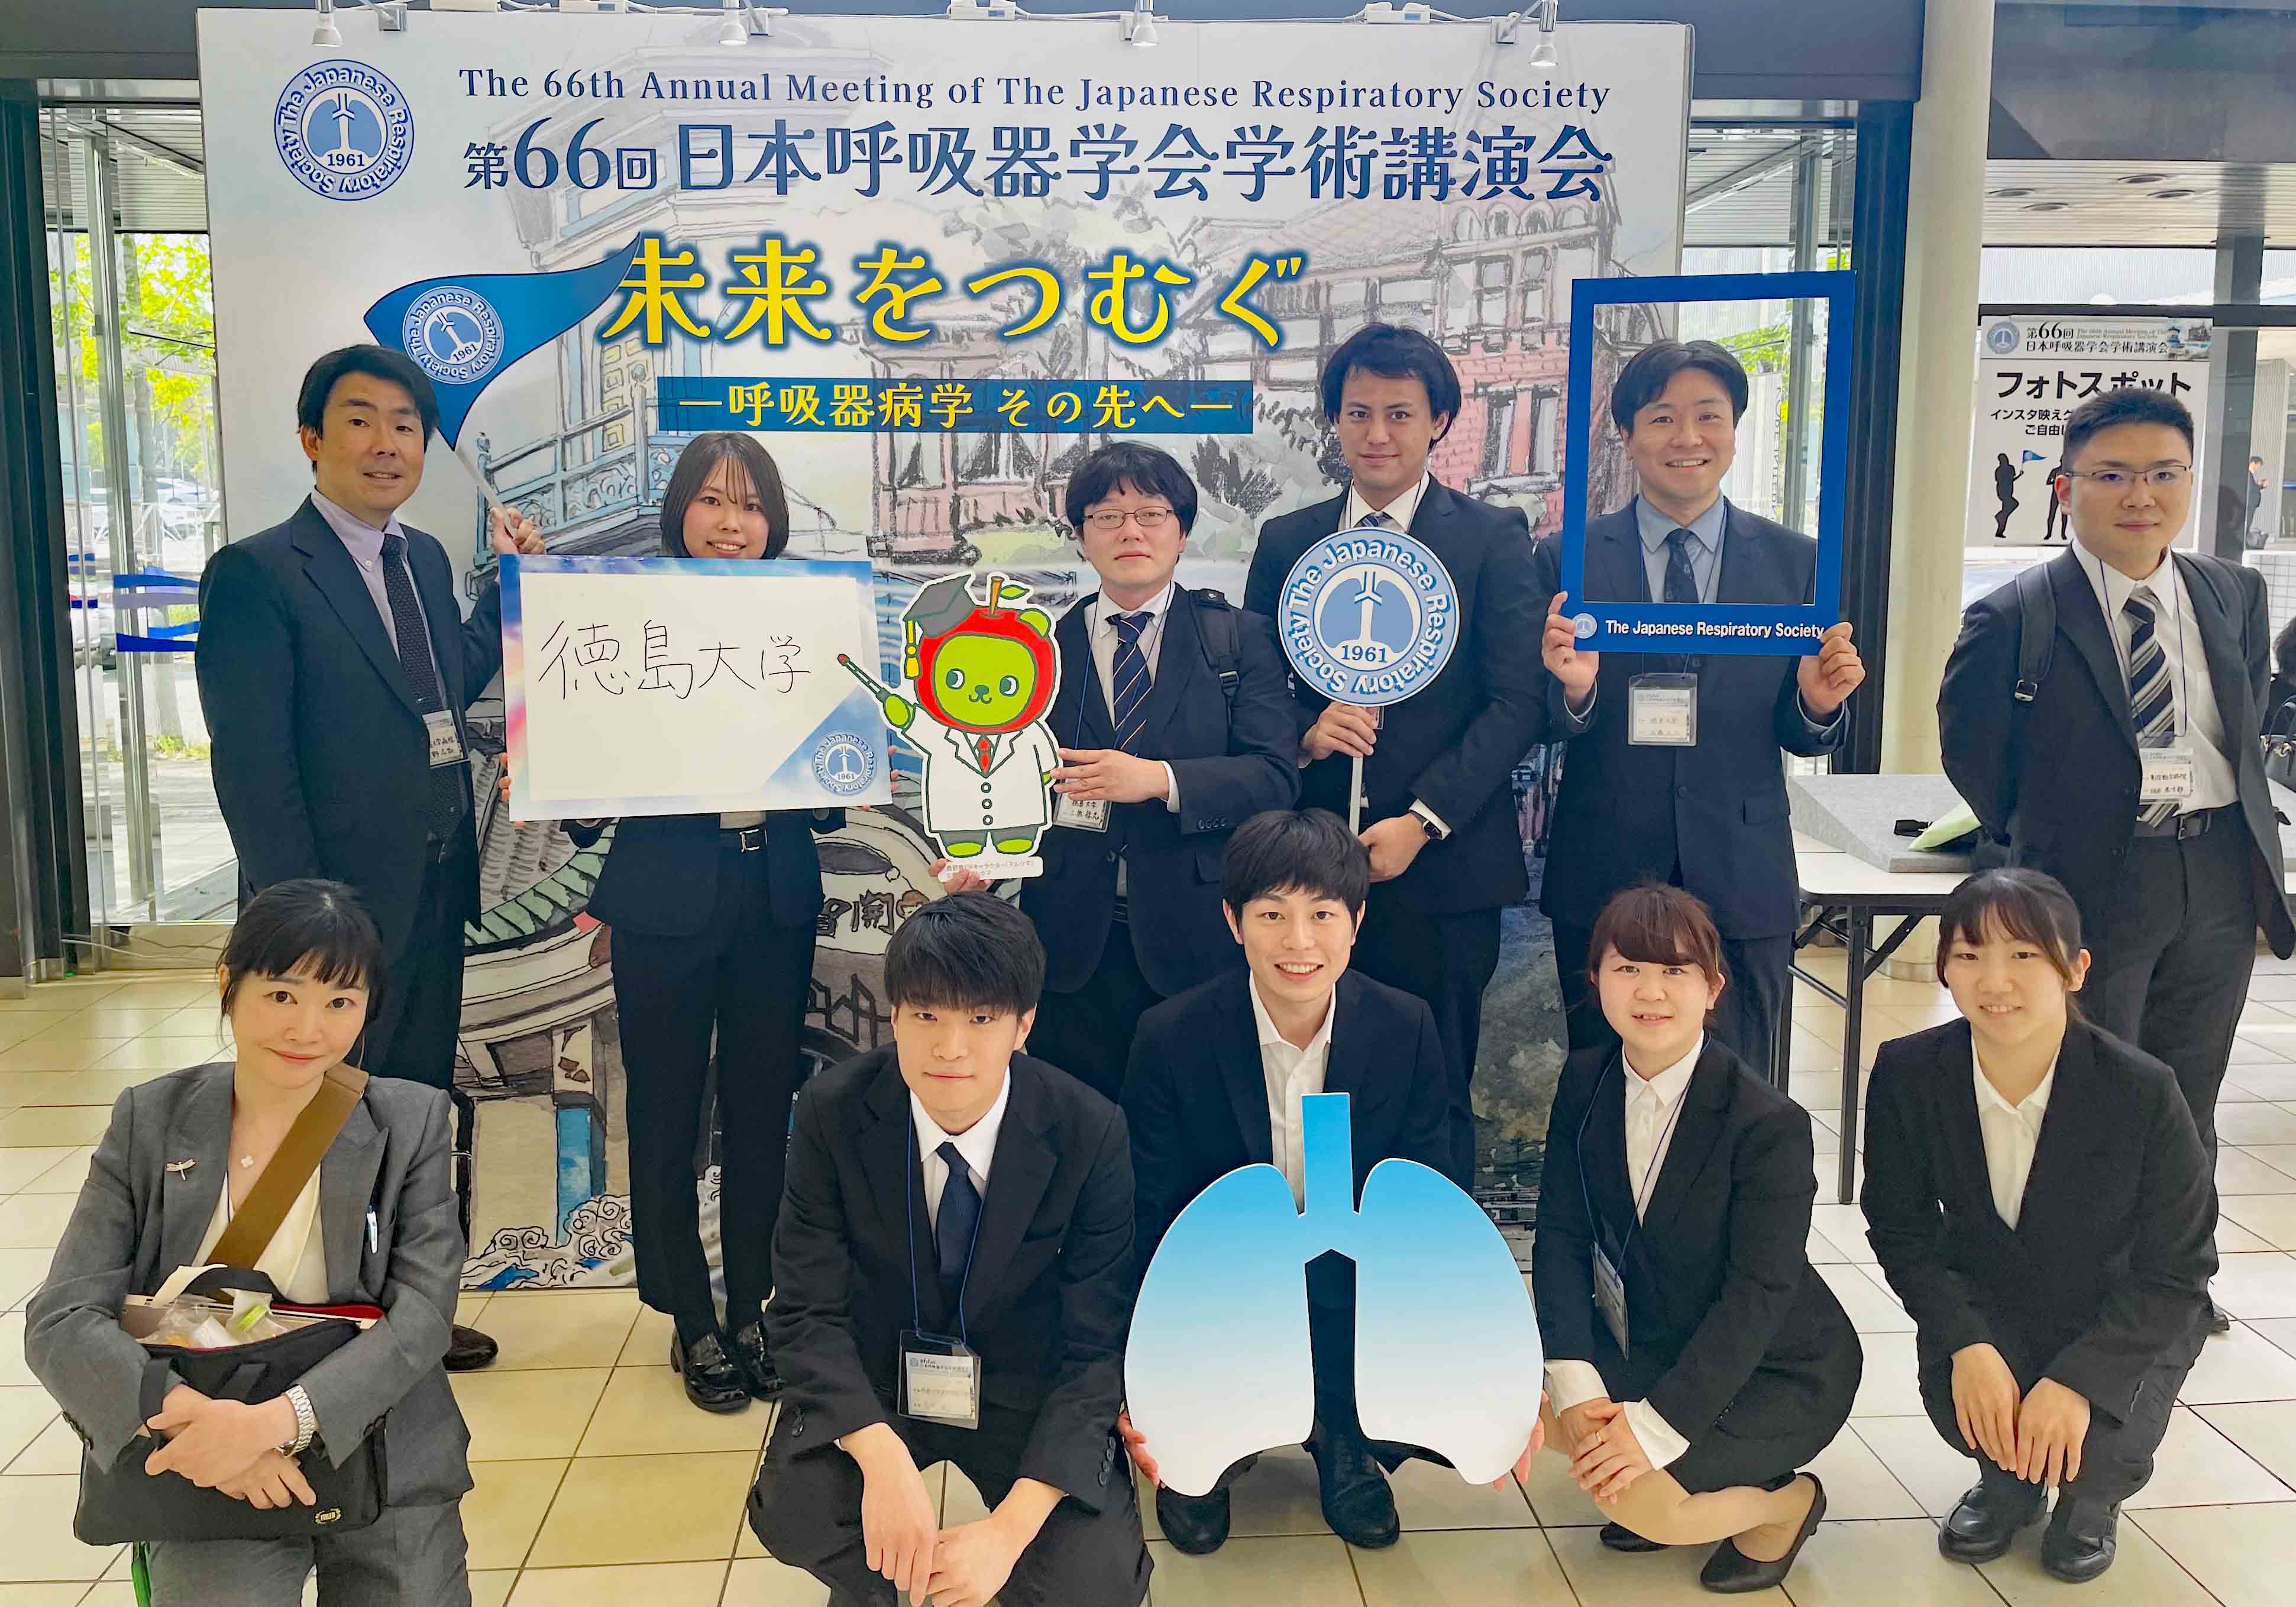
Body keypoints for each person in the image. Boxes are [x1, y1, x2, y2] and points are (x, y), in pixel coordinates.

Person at [195, 344, 545, 1371]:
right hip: (329, 916)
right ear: (313, 438)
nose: (386, 443)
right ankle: (264, 1325)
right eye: (360, 420)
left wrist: (509, 584)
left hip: (432, 892)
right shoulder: (259, 574)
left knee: (405, 1109)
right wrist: (307, 924)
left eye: (404, 425)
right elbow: (252, 768)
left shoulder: (421, 560)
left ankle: (401, 1316)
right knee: (308, 1114)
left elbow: (453, 677)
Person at [1939, 386, 2292, 1333]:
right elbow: (1973, 754)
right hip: (2090, 882)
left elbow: (2243, 721)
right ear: (2065, 488)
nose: (2141, 495)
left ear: (2190, 481)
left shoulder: (2231, 592)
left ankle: (2176, 1282)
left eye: (2163, 473)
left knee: (2189, 1090)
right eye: (2112, 475)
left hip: (2216, 872)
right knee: (2091, 1090)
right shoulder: (2016, 613)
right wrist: (2043, 849)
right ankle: (2085, 1291)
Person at [25, 880, 476, 1605]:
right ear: (228, 986)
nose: (308, 1029)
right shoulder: (150, 1119)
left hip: (377, 1432)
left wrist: (277, 1422)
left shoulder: (411, 1122)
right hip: (198, 1443)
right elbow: (62, 1316)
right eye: (282, 994)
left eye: (340, 1002)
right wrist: (201, 1430)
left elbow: (423, 1315)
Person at [543, 433, 843, 1411]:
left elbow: (831, 795)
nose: (731, 522)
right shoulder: (622, 617)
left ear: (773, 523)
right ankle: (690, 1318)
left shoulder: (807, 619)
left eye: (750, 505)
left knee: (762, 1112)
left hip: (773, 894)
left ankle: (753, 1305)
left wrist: (850, 731)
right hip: (663, 898)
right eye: (712, 500)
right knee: (666, 1114)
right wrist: (548, 765)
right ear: (679, 511)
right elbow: (586, 789)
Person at [749, 893, 1151, 1607]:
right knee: (795, 1505)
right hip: (883, 1374)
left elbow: (1096, 1345)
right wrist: (878, 1454)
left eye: (982, 1018)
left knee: (1097, 1577)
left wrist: (1008, 1532)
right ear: (894, 1014)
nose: (951, 1047)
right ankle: (891, 1583)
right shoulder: (832, 1112)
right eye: (927, 1015)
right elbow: (805, 1308)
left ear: (1024, 1023)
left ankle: (949, 1572)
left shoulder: (1089, 1130)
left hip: (1022, 1386)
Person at [1243, 323, 1548, 1178]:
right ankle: (1315, 1235)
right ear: (1335, 422)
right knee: (1311, 1078)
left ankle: (1426, 1245)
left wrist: (1424, 819)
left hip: (1442, 871)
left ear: (1439, 421)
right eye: (1358, 413)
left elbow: (1517, 700)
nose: (1377, 433)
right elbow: (1252, 691)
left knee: (1435, 1080)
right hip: (1308, 872)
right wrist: (1305, 732)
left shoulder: (1490, 537)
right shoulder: (1287, 541)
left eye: (1400, 414)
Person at [1862, 868, 2215, 1584]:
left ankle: (2090, 1500)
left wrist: (2079, 1381)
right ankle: (2009, 1484)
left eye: (2023, 954)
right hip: (1997, 1297)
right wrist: (1968, 1342)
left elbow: (2180, 1269)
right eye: (1969, 955)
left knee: (2097, 1446)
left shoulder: (2143, 1090)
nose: (1994, 980)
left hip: (2121, 1311)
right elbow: (1900, 1228)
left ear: (2075, 968)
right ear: (1945, 968)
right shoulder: (1909, 1072)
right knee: (1967, 1401)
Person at [1117, 807, 1454, 1553]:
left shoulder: (1405, 1027)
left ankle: (1343, 1432)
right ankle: (1207, 1442)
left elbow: (1427, 1188)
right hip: (1222, 1277)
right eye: (1272, 914)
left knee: (1379, 1275)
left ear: (1357, 921)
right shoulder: (1172, 1036)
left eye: (1322, 914)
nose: (1299, 941)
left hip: (1349, 1273)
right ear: (1233, 921)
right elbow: (1148, 1204)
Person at [1537, 338, 1865, 1079]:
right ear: (1627, 436)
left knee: (1743, 1083)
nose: (1687, 437)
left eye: (1708, 416)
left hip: (1742, 868)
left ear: (1736, 429)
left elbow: (1800, 728)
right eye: (1662, 418)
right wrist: (1576, 691)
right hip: (1606, 859)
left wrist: (1817, 705)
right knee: (1604, 1078)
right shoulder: (1568, 558)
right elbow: (1541, 717)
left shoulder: (1798, 562)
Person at [940, 443, 1298, 1100]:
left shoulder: (1238, 639)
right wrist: (985, 857)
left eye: (1151, 514)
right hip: (1070, 943)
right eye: (1107, 516)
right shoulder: (1039, 649)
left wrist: (1160, 779)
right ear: (1081, 537)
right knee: (1077, 1127)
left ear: (1182, 532)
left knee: (1194, 1126)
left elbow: (1275, 777)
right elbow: (1011, 776)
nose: (1131, 531)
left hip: (1198, 940)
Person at [1532, 881, 1858, 1594]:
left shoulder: (1766, 1122)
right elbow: (1560, 1231)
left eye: (1675, 970)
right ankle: (1670, 1470)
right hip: (1653, 1337)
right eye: (1627, 968)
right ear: (1596, 980)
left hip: (1775, 1366)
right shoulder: (1586, 1078)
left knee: (1644, 1502)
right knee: (1525, 1414)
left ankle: (1787, 1504)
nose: (1650, 991)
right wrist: (1578, 1384)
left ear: (1712, 988)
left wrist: (1653, 1429)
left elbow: (1758, 1294)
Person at [1993, 452, 2020, 541]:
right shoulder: (2000, 470)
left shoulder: (2009, 468)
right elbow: (2001, 481)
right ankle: (2000, 517)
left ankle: (1999, 532)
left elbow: (2011, 480)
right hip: (2004, 491)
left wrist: (2019, 476)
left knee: (2006, 512)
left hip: (2008, 491)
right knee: (2012, 506)